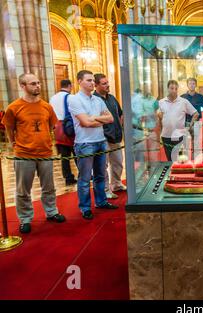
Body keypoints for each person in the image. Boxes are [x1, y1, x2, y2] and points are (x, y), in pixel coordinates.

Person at [2, 73, 66, 233]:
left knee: (49, 187)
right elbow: (9, 128)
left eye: (38, 82)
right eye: (32, 84)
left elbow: (53, 126)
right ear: (22, 86)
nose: (37, 86)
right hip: (23, 154)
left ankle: (51, 212)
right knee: (23, 190)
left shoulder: (46, 106)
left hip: (45, 153)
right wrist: (14, 144)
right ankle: (25, 219)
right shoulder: (14, 107)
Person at [68, 70, 118, 220]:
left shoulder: (97, 100)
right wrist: (96, 120)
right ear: (79, 81)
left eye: (92, 80)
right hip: (85, 143)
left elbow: (110, 119)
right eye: (88, 80)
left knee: (101, 175)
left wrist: (94, 118)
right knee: (84, 179)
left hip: (101, 141)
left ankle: (101, 201)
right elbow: (85, 123)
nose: (91, 83)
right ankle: (85, 208)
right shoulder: (74, 99)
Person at [93, 73, 126, 200]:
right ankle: (105, 189)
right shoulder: (94, 100)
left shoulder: (112, 98)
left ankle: (116, 184)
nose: (108, 85)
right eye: (104, 83)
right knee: (103, 166)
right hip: (103, 137)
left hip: (116, 137)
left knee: (118, 162)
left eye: (107, 82)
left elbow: (120, 114)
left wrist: (118, 127)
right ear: (96, 85)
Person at [157, 80, 198, 161]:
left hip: (179, 136)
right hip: (166, 136)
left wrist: (189, 126)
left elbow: (195, 114)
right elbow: (159, 117)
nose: (174, 90)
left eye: (176, 88)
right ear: (167, 89)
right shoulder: (161, 102)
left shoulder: (183, 101)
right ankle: (171, 173)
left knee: (179, 160)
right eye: (172, 88)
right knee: (169, 160)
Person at [49, 79, 77, 186]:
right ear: (70, 86)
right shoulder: (71, 97)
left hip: (57, 128)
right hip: (68, 127)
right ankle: (84, 174)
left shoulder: (53, 98)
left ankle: (68, 177)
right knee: (77, 153)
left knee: (64, 156)